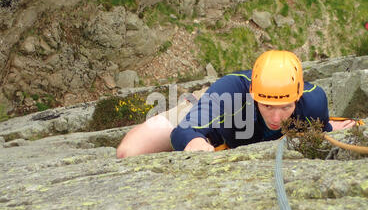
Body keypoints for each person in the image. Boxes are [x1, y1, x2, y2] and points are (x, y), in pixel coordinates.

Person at [116, 50, 355, 158]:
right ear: (253, 93)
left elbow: (322, 130)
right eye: (267, 106)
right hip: (206, 111)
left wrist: (329, 131)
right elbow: (184, 131)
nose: (275, 118)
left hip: (232, 130)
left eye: (286, 107)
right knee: (128, 153)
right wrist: (195, 142)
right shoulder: (229, 92)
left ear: (298, 97)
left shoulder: (314, 101)